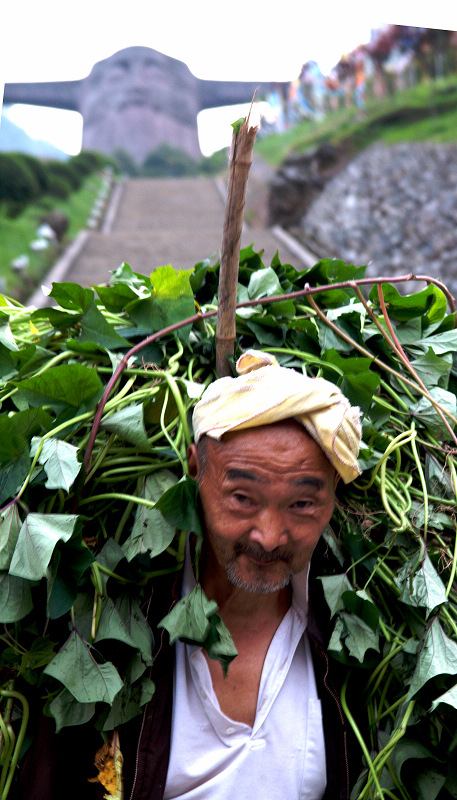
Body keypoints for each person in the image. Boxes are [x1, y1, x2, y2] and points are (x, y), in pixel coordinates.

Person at [14, 350, 363, 800]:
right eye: (242, 497)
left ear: (334, 493)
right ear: (196, 469)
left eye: (302, 504)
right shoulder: (110, 628)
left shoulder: (350, 637)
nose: (271, 536)